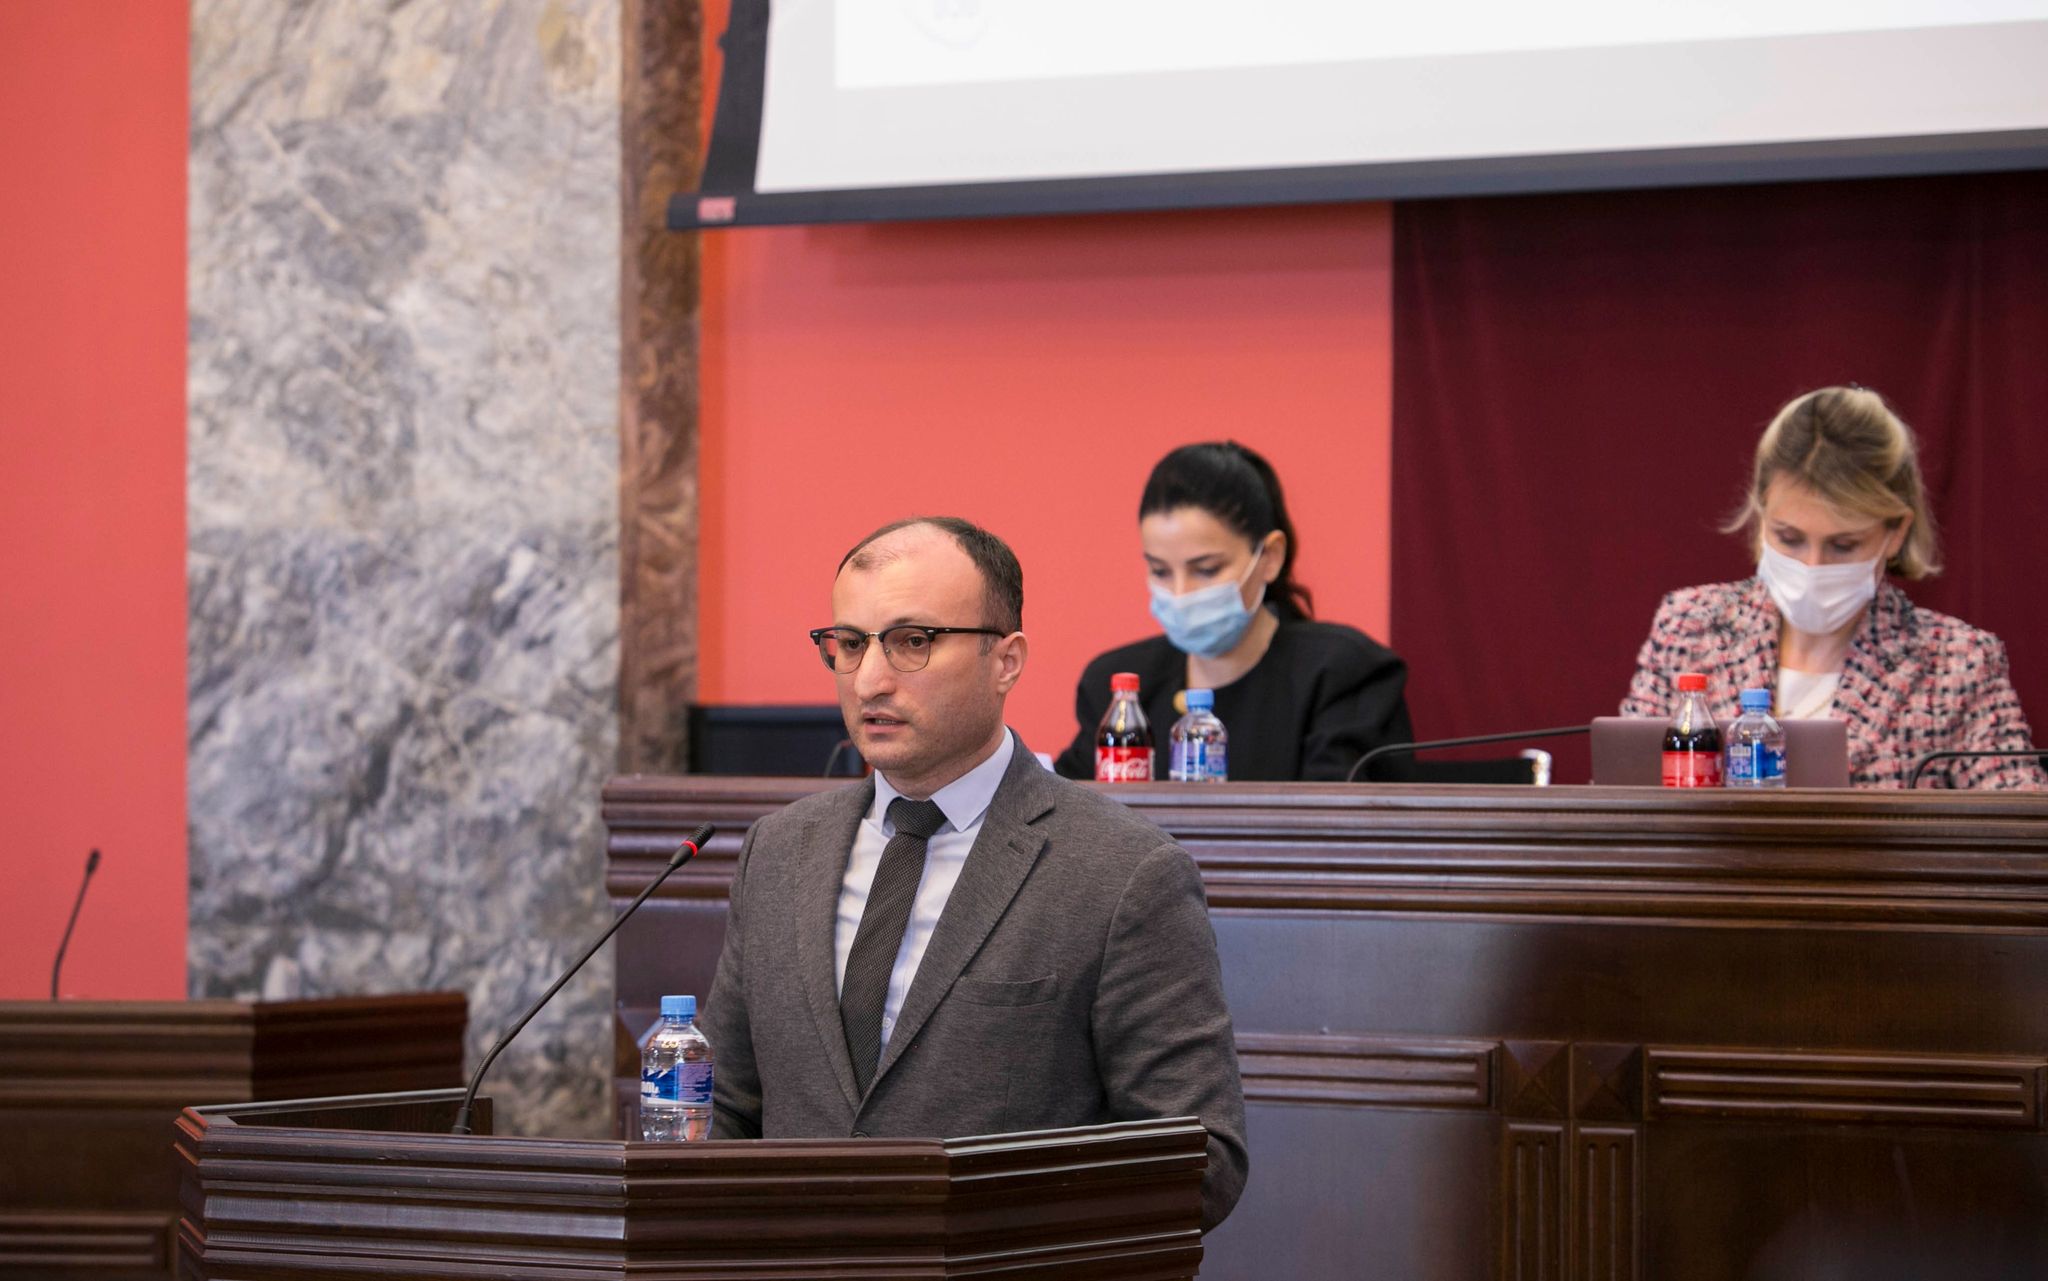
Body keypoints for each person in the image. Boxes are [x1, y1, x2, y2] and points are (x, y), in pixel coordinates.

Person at [699, 516, 1249, 1231]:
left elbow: (1198, 1161)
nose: (870, 679)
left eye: (913, 641)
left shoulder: (1123, 872)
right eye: (851, 643)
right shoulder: (779, 853)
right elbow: (721, 1106)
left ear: (1006, 661)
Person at [1621, 385, 2046, 789]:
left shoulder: (1958, 663)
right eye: (1789, 538)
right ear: (1761, 516)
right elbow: (1622, 798)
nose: (1812, 566)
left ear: (1896, 532)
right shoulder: (1689, 627)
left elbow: (2018, 819)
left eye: (1843, 545)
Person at [1054, 441, 1413, 782]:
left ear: (1269, 557)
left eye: (1206, 569)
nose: (1180, 594)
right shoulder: (1116, 689)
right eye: (1160, 571)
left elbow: (1342, 816)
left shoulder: (1340, 674)